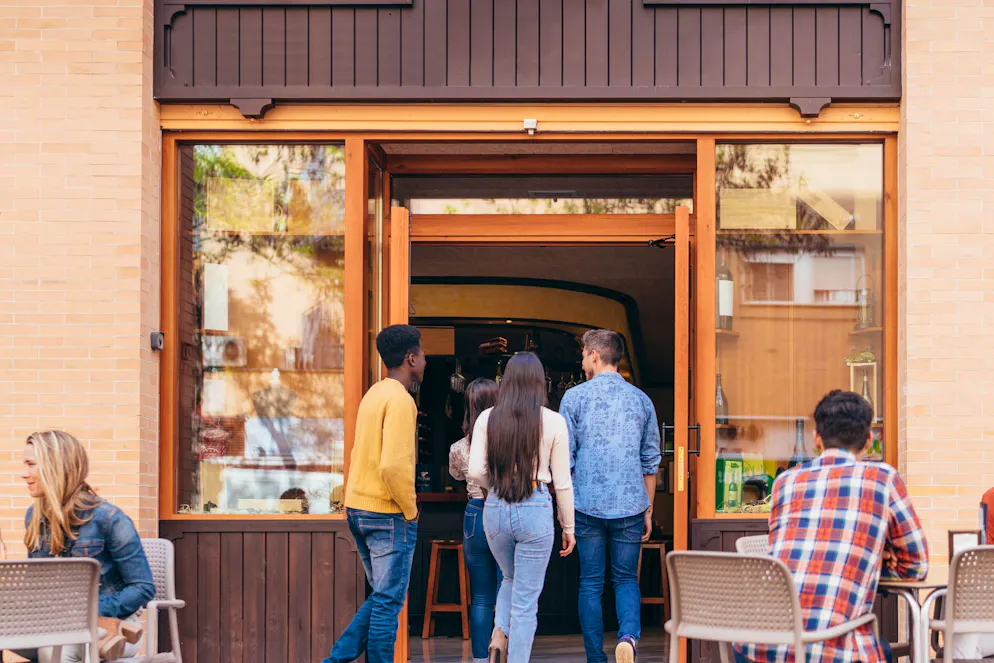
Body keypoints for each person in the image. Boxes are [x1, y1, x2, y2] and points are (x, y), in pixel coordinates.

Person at [735, 390, 929, 663]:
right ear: (869, 439)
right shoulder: (883, 478)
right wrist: (877, 559)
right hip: (828, 650)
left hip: (757, 646)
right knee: (881, 649)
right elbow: (917, 566)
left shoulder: (786, 482)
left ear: (817, 439)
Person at [322, 324, 426, 663]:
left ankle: (336, 660)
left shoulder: (374, 394)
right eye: (422, 355)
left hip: (358, 507)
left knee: (382, 596)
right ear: (411, 359)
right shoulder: (401, 400)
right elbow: (393, 467)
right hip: (388, 512)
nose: (425, 361)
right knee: (389, 602)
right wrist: (410, 509)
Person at [558, 329, 661, 663]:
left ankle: (595, 657)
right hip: (631, 505)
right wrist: (648, 509)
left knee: (590, 583)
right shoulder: (642, 400)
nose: (582, 359)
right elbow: (650, 461)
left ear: (594, 355)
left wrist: (565, 515)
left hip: (586, 505)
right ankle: (628, 639)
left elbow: (565, 460)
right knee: (625, 579)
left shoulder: (573, 399)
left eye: (583, 354)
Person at [467, 352, 576, 663]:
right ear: (540, 383)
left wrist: (498, 485)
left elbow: (474, 472)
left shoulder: (487, 417)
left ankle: (499, 633)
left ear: (507, 382)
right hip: (535, 506)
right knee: (526, 602)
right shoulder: (554, 421)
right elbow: (563, 482)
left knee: (509, 577)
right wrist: (568, 526)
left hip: (496, 508)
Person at [17, 430, 155, 663]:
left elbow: (143, 587)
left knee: (54, 651)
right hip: (55, 625)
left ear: (55, 467)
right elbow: (38, 587)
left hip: (112, 625)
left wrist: (86, 612)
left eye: (31, 464)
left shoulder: (109, 518)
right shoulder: (34, 517)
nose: (24, 474)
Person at [448, 378, 502, 663]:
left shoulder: (459, 448)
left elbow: (456, 475)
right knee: (507, 589)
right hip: (504, 510)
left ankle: (481, 658)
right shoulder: (507, 443)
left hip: (475, 514)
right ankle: (508, 653)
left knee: (481, 595)